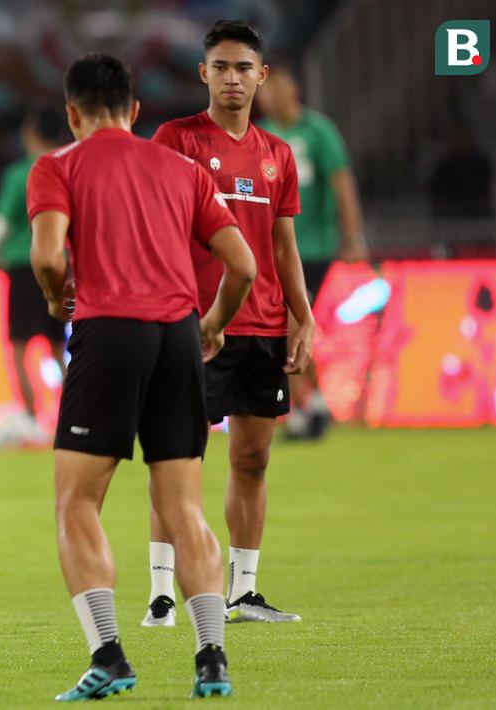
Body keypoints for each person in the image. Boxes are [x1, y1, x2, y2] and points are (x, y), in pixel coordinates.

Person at [29, 53, 256, 700]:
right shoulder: (182, 169)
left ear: (71, 114)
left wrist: (53, 298)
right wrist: (211, 325)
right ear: (133, 111)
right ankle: (210, 659)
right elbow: (239, 265)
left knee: (76, 503)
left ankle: (108, 655)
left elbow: (48, 256)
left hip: (107, 334)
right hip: (177, 335)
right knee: (183, 506)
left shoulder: (58, 165)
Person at [144, 19, 312, 627]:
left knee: (253, 461)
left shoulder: (278, 156)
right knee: (177, 457)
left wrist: (303, 316)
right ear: (203, 73)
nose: (233, 78)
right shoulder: (175, 140)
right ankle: (162, 593)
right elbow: (156, 228)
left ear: (261, 76)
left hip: (264, 326)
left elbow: (284, 245)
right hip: (194, 325)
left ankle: (243, 592)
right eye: (221, 67)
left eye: (244, 68)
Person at [257, 61, 368, 439]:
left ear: (293, 89)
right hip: (274, 251)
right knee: (287, 327)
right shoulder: (263, 136)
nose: (267, 94)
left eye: (273, 86)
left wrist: (352, 236)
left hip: (313, 248)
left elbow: (341, 182)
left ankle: (311, 404)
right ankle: (310, 405)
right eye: (264, 88)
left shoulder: (318, 131)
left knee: (291, 323)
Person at [0, 104, 68, 436]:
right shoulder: (72, 168)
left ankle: (30, 414)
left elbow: (1, 222)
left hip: (25, 268)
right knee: (58, 345)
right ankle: (76, 414)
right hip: (64, 268)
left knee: (19, 345)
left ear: (30, 132)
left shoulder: (21, 173)